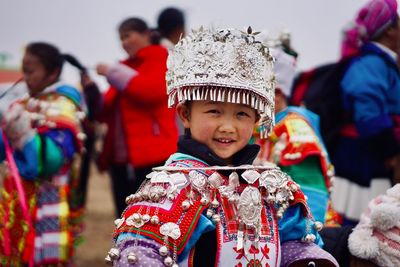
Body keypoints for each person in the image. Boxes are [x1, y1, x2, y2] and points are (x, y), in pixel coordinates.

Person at [105, 27, 338, 267]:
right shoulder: (170, 186)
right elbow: (140, 253)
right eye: (214, 111)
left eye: (241, 114)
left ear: (257, 120)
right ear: (185, 114)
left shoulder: (271, 185)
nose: (228, 127)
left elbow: (294, 244)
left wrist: (310, 260)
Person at [0, 42, 85, 266]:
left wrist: (24, 136)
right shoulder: (21, 104)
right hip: (16, 199)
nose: (26, 77)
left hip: (49, 199)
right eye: (24, 71)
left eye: (31, 71)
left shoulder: (63, 106)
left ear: (53, 72)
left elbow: (50, 162)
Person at [95, 17, 179, 217]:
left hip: (154, 154)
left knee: (152, 216)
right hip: (123, 161)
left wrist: (113, 72)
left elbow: (149, 92)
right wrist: (91, 90)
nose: (124, 42)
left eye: (128, 35)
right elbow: (105, 110)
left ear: (146, 35)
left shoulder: (160, 57)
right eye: (121, 38)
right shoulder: (125, 66)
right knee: (124, 216)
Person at [331, 0, 400, 226]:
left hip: (372, 156)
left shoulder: (381, 63)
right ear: (390, 30)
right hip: (362, 161)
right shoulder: (371, 63)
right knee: (363, 224)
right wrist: (390, 152)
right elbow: (368, 112)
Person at [254, 48, 336, 225]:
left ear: (277, 93)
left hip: (295, 229)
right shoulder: (262, 125)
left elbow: (312, 195)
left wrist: (303, 231)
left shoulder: (295, 129)